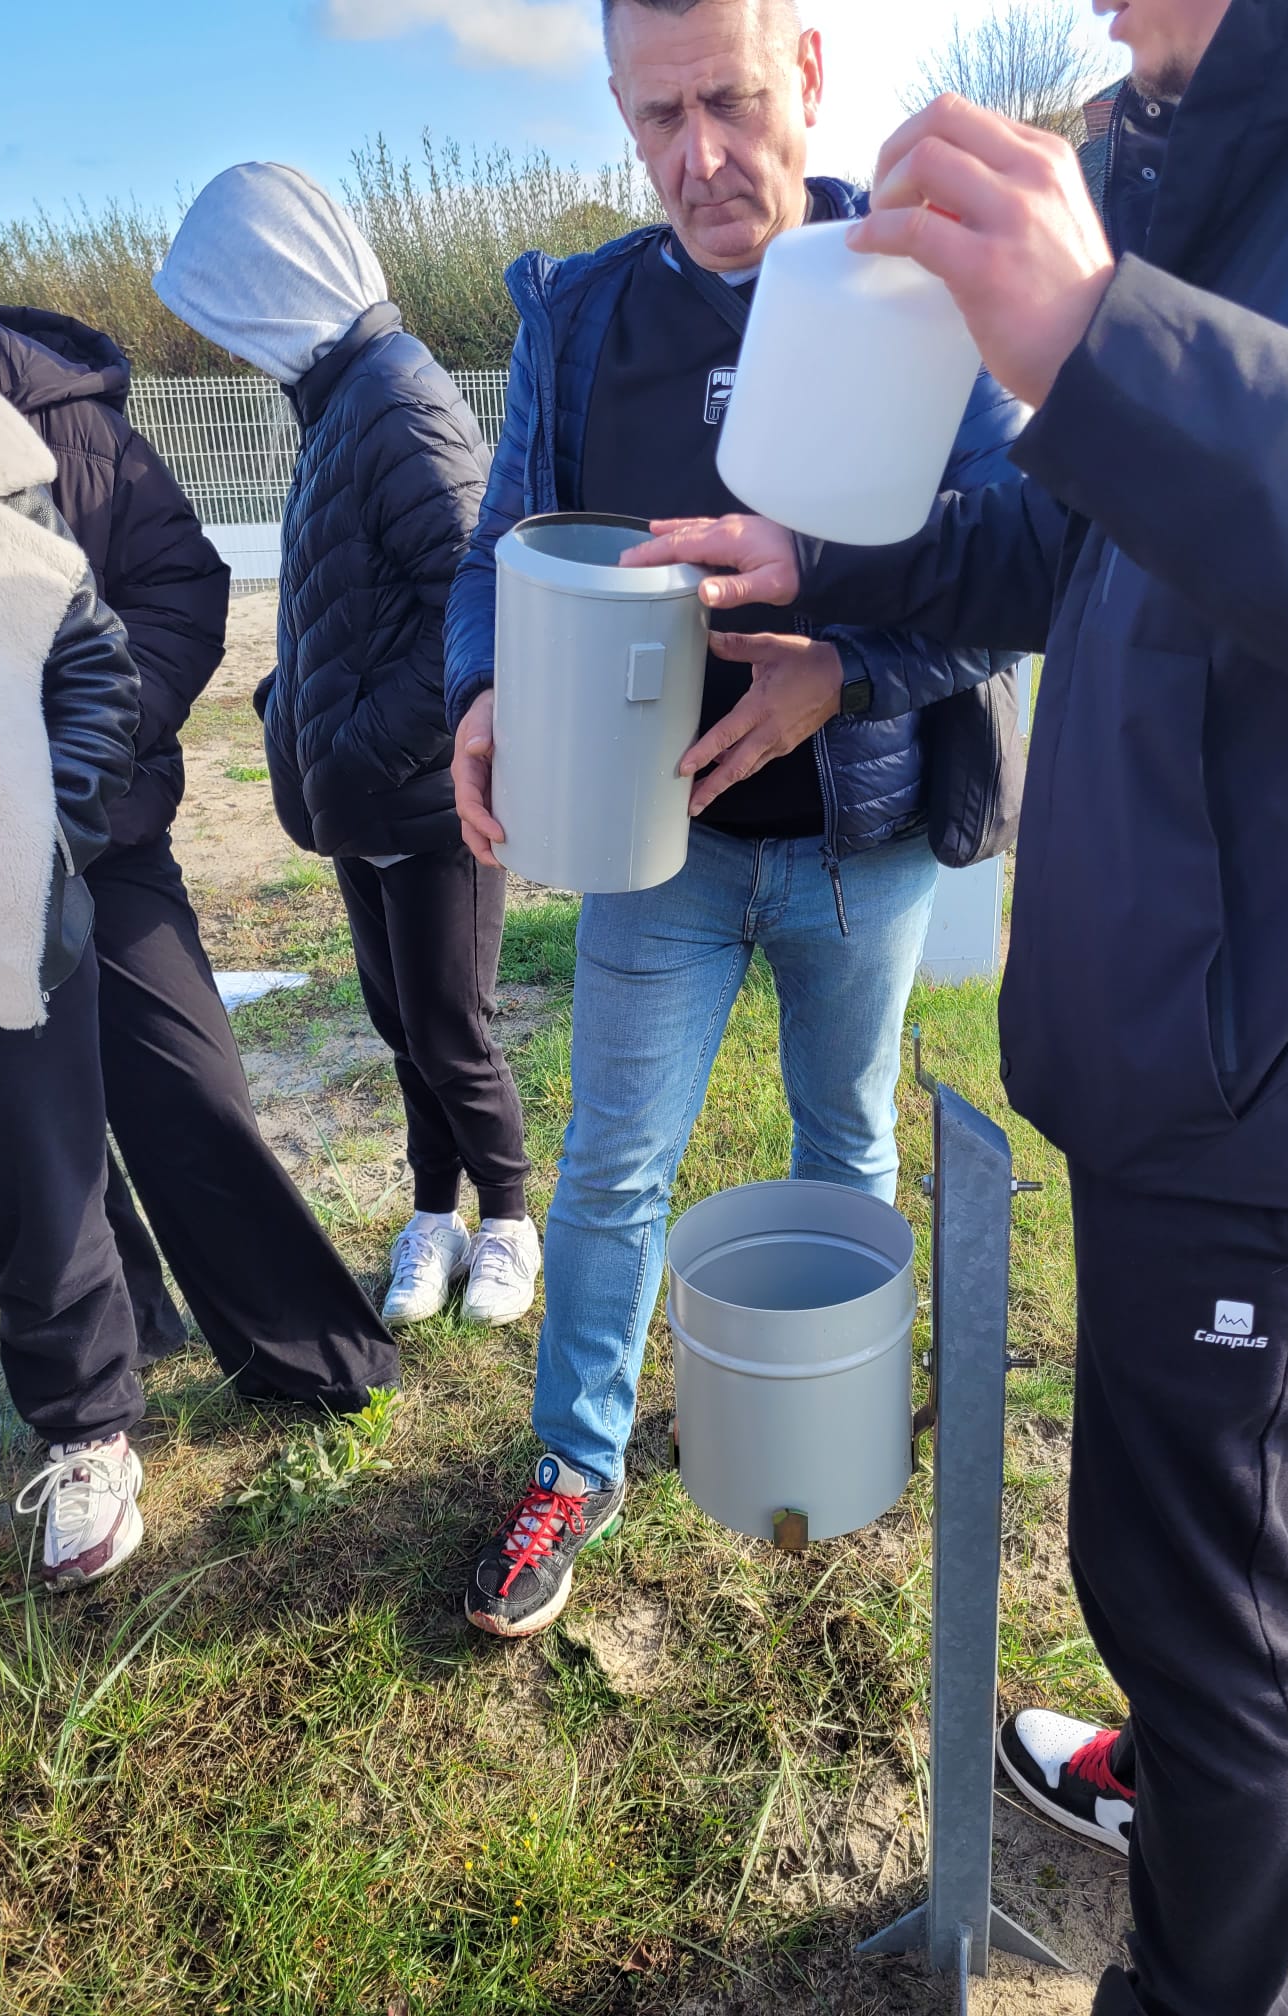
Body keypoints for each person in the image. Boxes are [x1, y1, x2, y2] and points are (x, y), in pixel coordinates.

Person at [628, 1, 1288, 2010]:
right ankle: (1165, 1776)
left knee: (1204, 1597)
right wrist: (831, 558)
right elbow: (1074, 532)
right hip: (1168, 1007)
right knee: (1151, 1537)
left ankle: (1202, 1968)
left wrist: (1113, 342)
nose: (1097, 5)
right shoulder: (1191, 137)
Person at [444, 0, 1023, 1640]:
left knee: (842, 1139)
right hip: (659, 843)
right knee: (613, 1161)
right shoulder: (580, 317)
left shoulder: (924, 295)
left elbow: (1016, 571)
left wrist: (842, 669)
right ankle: (576, 1461)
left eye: (730, 101)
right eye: (653, 118)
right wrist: (480, 688)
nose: (697, 156)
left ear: (813, 78)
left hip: (867, 833)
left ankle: (831, 1425)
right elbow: (506, 531)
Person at [0, 300, 401, 1407]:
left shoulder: (66, 416)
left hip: (102, 840)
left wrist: (86, 748)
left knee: (191, 1092)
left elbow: (180, 586)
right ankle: (119, 1359)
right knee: (31, 1150)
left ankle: (307, 1360)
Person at [154, 163, 538, 1331]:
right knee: (398, 1023)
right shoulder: (337, 406)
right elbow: (340, 600)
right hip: (365, 805)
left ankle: (512, 1219)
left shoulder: (401, 401)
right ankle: (436, 1214)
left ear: (275, 284)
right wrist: (293, 709)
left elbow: (477, 610)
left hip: (432, 801)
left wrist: (363, 745)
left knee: (451, 1030)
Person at [0, 376, 146, 1598]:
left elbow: (93, 668)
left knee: (42, 1185)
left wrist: (35, 844)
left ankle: (88, 1431)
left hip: (6, 919)